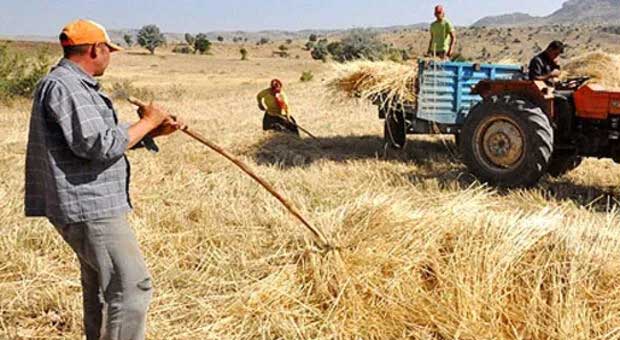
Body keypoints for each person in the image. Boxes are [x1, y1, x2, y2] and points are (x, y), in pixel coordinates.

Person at [25, 19, 182, 340]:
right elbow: (99, 144)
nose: (109, 56)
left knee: (101, 288)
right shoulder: (66, 86)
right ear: (96, 49)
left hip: (88, 204)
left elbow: (98, 142)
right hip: (90, 207)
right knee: (132, 287)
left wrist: (151, 130)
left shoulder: (72, 85)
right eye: (108, 50)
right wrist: (149, 120)